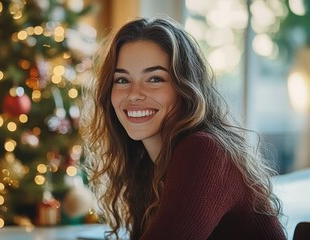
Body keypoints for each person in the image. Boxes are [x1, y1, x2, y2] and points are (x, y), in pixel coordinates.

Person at [80, 17, 286, 240]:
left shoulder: (204, 151)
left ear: (185, 88)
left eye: (155, 78)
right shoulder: (144, 166)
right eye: (122, 80)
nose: (134, 94)